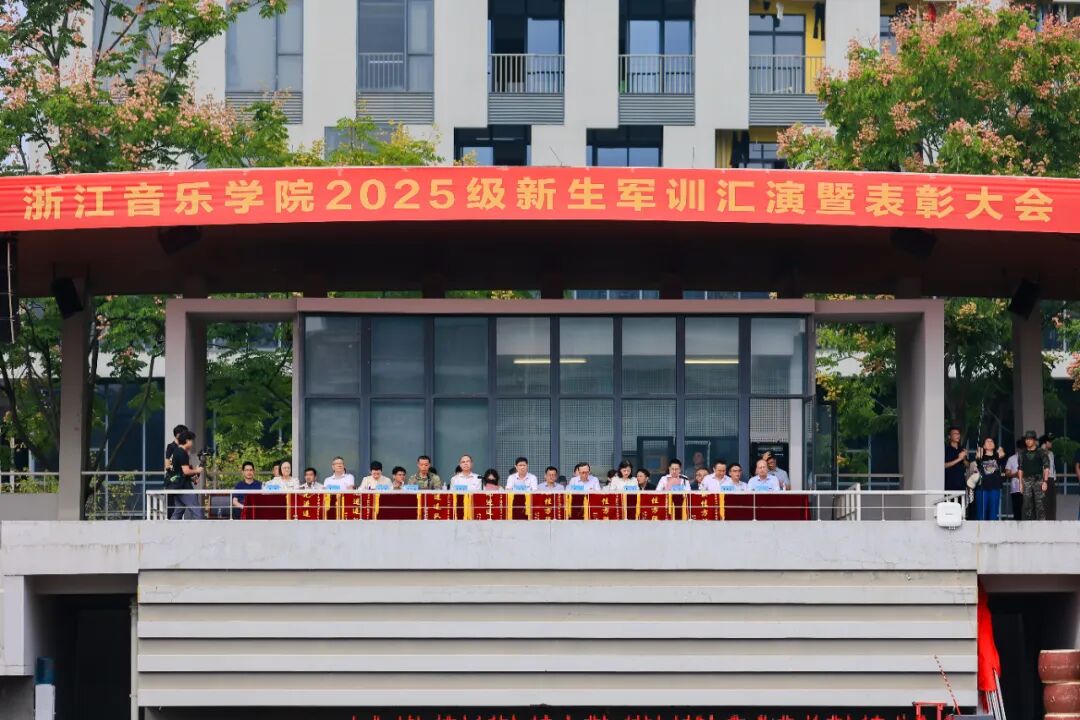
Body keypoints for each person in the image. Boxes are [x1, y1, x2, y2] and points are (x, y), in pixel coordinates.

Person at [170, 430, 205, 519]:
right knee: (198, 512)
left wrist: (192, 478)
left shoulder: (176, 451)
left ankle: (168, 527)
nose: (192, 443)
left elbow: (180, 472)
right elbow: (186, 471)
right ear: (187, 440)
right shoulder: (182, 452)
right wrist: (197, 470)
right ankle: (201, 528)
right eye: (191, 440)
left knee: (178, 512)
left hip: (177, 485)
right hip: (184, 487)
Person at [1018, 430, 1050, 520]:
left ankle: (1041, 524)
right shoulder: (1022, 453)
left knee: (1040, 504)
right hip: (1026, 480)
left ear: (1035, 440)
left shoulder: (1041, 452)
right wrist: (1020, 483)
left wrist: (1045, 481)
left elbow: (1046, 467)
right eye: (1026, 439)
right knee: (1027, 503)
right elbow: (1020, 468)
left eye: (1030, 439)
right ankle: (1028, 524)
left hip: (1038, 480)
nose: (1028, 441)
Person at [974, 437, 1006, 521]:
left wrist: (1000, 450)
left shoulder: (997, 455)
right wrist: (979, 450)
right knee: (981, 514)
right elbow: (977, 457)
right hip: (982, 487)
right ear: (984, 446)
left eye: (991, 441)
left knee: (993, 514)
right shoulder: (981, 455)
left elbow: (1002, 454)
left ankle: (993, 529)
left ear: (994, 445)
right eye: (987, 441)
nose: (990, 442)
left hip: (995, 487)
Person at [164, 423, 189, 520]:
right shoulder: (171, 447)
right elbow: (167, 465)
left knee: (180, 507)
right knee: (172, 507)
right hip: (173, 482)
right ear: (178, 435)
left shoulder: (182, 448)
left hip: (181, 482)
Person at [1004, 439, 1024, 520]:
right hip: (1016, 489)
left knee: (1028, 511)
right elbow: (1007, 473)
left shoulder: (1030, 458)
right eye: (1021, 448)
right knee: (1017, 511)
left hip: (1028, 488)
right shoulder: (1011, 459)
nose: (1022, 450)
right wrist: (1015, 474)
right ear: (1017, 448)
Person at [944, 426, 968, 494]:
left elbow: (967, 465)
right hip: (949, 484)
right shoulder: (946, 449)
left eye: (958, 434)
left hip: (961, 483)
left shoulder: (961, 449)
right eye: (955, 434)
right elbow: (944, 465)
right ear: (949, 436)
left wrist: (963, 459)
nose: (957, 435)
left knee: (961, 500)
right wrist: (959, 459)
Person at [1040, 434, 1057, 520]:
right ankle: (1044, 522)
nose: (1052, 443)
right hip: (1043, 480)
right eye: (1050, 441)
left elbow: (1052, 467)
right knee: (1044, 502)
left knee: (1052, 502)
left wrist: (1054, 479)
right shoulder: (1039, 452)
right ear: (1045, 442)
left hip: (1051, 479)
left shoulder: (1051, 453)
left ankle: (1052, 521)